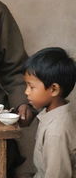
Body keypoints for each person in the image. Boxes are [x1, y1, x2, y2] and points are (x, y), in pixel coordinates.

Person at [23, 47, 76, 178]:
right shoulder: (52, 114)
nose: (26, 92)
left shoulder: (56, 132)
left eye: (31, 87)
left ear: (54, 89)